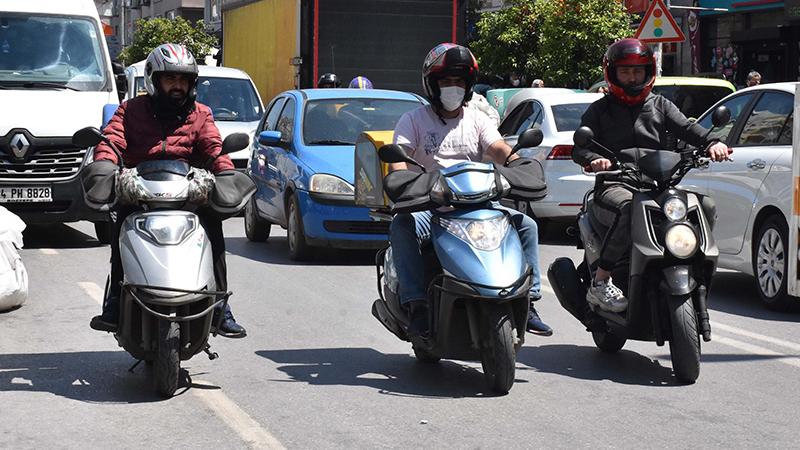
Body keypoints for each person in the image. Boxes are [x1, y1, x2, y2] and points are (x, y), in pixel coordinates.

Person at [390, 43, 552, 337]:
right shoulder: (413, 120)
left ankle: (529, 301)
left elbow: (498, 147)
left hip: (478, 204)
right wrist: (400, 180)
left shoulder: (477, 119)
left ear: (468, 86)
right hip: (430, 206)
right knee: (402, 226)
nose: (453, 88)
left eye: (459, 82)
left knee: (526, 225)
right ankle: (416, 305)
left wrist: (517, 163)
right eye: (446, 81)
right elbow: (399, 158)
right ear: (432, 84)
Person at [88, 43, 246, 338]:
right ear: (153, 79)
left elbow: (213, 147)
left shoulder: (201, 114)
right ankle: (114, 303)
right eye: (170, 79)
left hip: (187, 194)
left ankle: (222, 307)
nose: (177, 86)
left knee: (213, 229)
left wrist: (225, 172)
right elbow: (112, 140)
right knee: (121, 225)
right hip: (140, 192)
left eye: (184, 80)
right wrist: (104, 166)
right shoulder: (130, 110)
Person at [572, 38, 730, 313]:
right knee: (628, 208)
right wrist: (594, 160)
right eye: (625, 71)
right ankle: (601, 281)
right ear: (612, 73)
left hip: (659, 185)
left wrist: (711, 143)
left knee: (704, 206)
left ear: (648, 72)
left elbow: (688, 129)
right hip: (615, 183)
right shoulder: (600, 109)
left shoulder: (660, 105)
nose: (632, 77)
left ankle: (697, 267)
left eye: (637, 71)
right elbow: (580, 148)